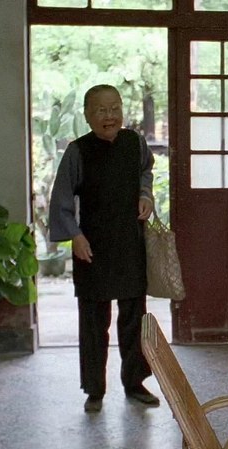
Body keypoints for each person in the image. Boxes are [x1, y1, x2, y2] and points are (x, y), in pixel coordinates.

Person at [49, 84, 160, 413]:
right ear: (87, 115)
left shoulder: (134, 143)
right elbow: (61, 199)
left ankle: (135, 383)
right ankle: (94, 390)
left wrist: (146, 195)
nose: (109, 116)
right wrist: (75, 236)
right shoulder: (77, 151)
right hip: (92, 247)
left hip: (129, 242)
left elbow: (146, 171)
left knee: (133, 319)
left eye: (115, 108)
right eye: (101, 110)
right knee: (94, 323)